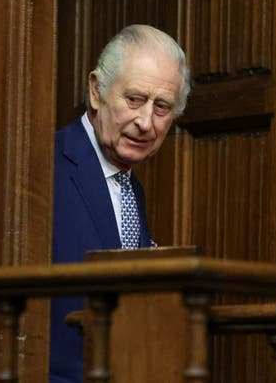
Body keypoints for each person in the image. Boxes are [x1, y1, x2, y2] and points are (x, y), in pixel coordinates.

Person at [50, 24, 190, 383]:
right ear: (96, 90)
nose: (146, 122)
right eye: (134, 99)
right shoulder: (47, 165)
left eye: (162, 107)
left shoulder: (130, 186)